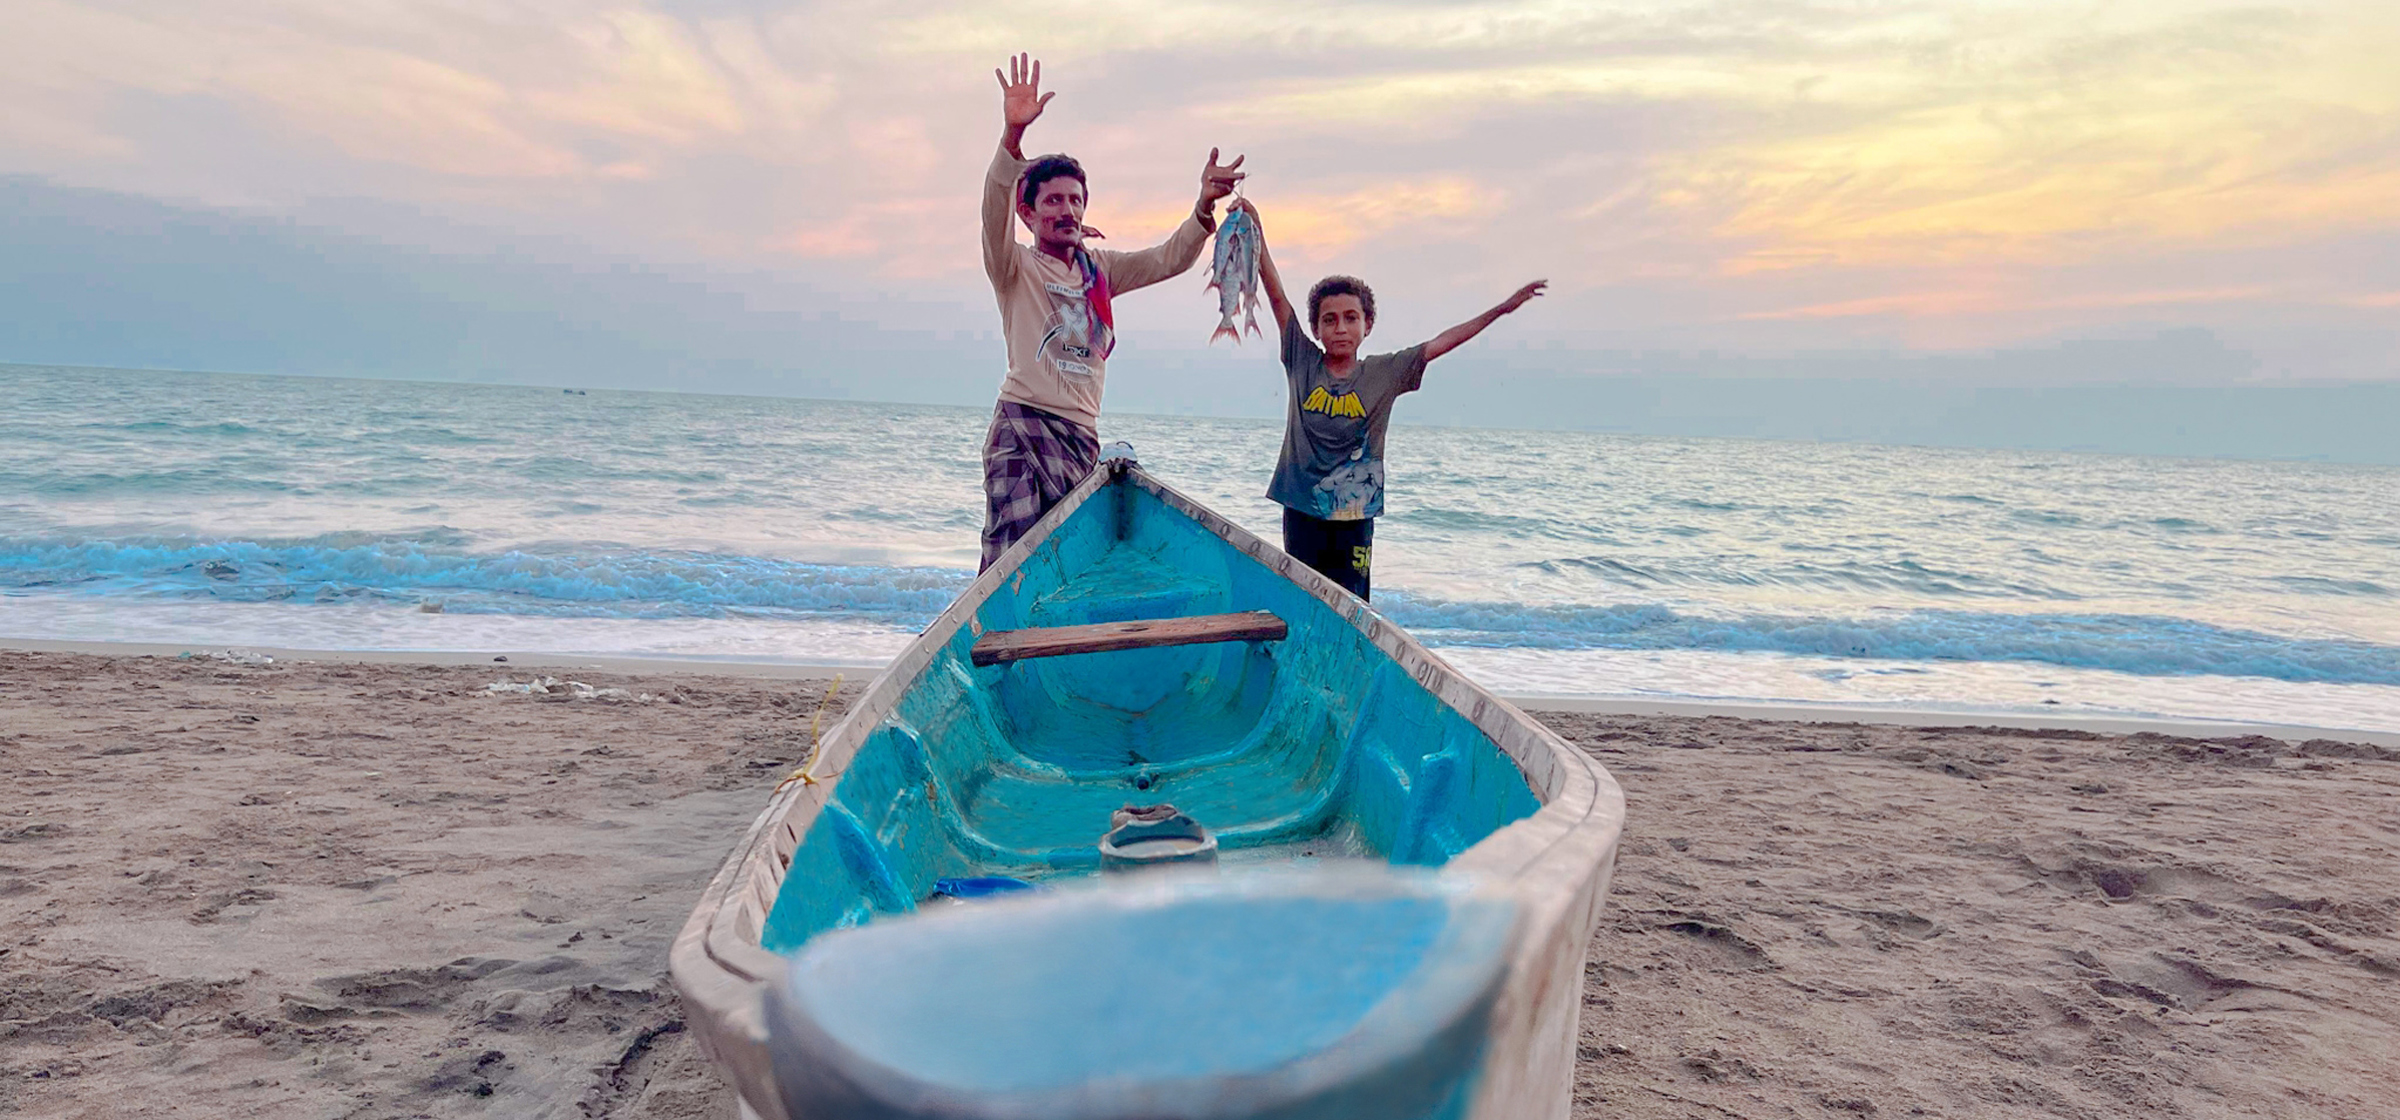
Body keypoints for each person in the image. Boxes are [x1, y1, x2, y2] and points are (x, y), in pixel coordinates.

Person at [977, 53, 1245, 570]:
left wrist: (1204, 205)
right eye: (1052, 201)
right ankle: (998, 647)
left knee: (1065, 565)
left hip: (1080, 438)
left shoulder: (1100, 271)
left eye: (1076, 201)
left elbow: (1169, 259)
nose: (1067, 211)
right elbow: (992, 206)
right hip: (1023, 428)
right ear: (1027, 212)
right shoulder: (1015, 269)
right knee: (1009, 563)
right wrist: (1012, 139)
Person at [1234, 197, 1545, 600]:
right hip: (1301, 509)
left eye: (1351, 317)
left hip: (1355, 514)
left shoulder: (1385, 372)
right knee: (1305, 597)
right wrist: (1256, 228)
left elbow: (1440, 343)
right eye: (1329, 320)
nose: (1340, 328)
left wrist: (1502, 310)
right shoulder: (1301, 359)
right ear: (1315, 327)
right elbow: (1276, 296)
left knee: (1353, 601)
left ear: (1368, 325)